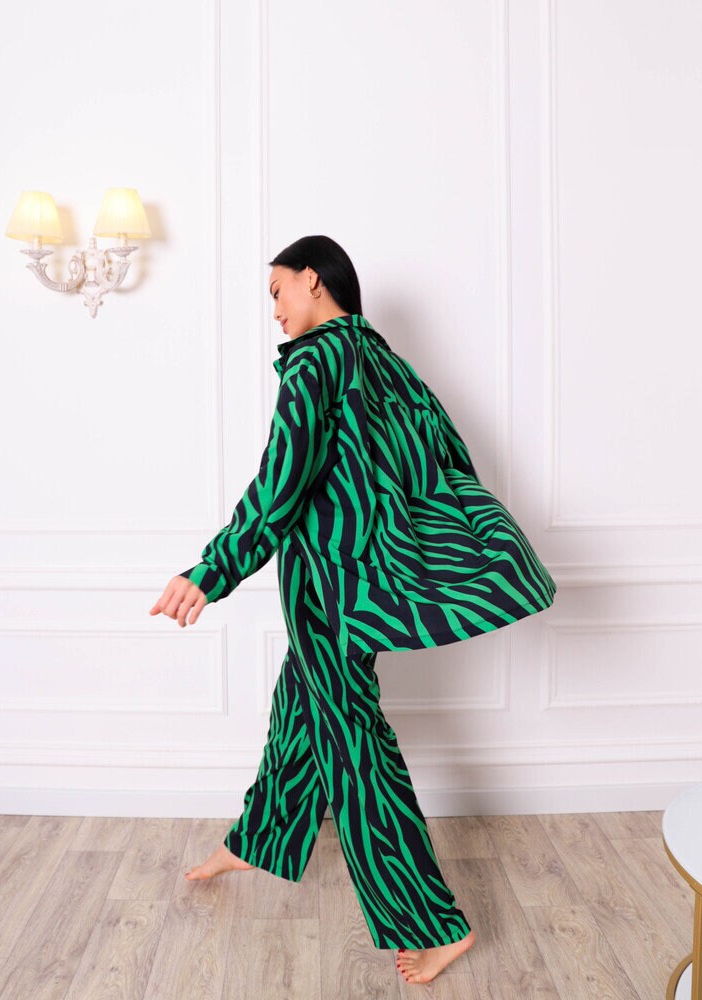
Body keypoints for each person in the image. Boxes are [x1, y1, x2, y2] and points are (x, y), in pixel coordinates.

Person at [149, 235, 557, 986]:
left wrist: (210, 572)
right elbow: (442, 459)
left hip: (327, 585)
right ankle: (258, 840)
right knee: (302, 710)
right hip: (364, 582)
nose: (273, 310)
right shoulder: (380, 357)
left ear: (313, 279)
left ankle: (435, 924)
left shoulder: (314, 361)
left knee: (355, 748)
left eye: (277, 291)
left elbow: (281, 484)